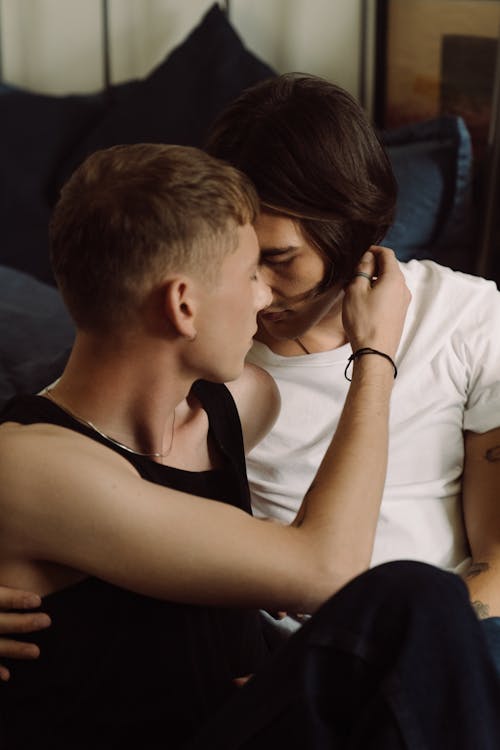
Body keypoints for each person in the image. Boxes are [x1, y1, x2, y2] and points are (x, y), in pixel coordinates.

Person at [2, 141, 500, 750]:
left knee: (424, 616)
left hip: (241, 716)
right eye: (248, 275)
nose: (265, 298)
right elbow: (330, 569)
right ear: (183, 305)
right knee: (412, 601)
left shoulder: (238, 401)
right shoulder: (35, 466)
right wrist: (374, 355)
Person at [204, 73, 500, 630]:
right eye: (234, 257)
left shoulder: (465, 315)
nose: (257, 290)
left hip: (448, 638)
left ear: (351, 230)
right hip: (285, 668)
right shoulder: (198, 347)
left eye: (280, 258)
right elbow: (63, 442)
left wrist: (392, 662)